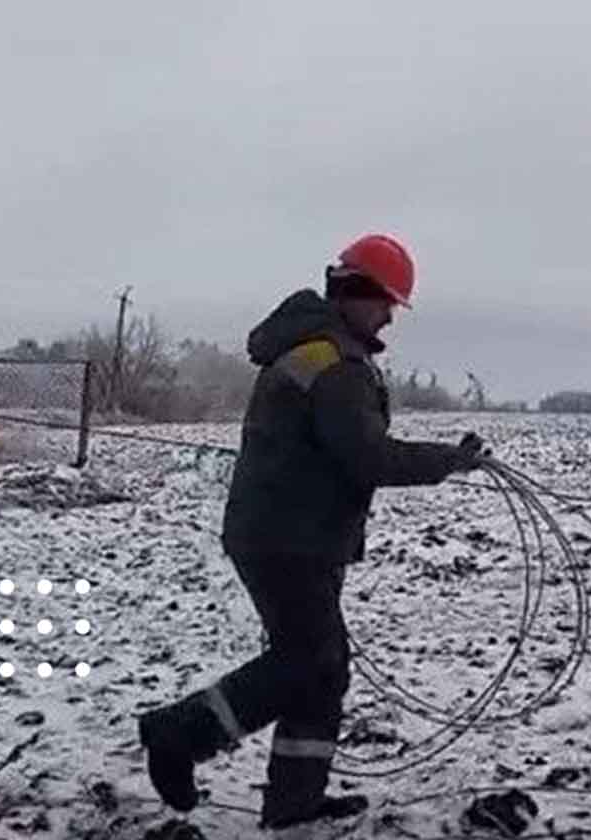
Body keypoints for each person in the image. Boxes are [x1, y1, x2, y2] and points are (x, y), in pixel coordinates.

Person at [137, 233, 489, 828]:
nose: (388, 320)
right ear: (359, 294)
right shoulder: (334, 365)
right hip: (287, 540)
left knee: (321, 666)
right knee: (307, 663)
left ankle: (294, 803)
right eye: (387, 305)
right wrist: (450, 460)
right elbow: (369, 458)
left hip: (291, 534)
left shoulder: (316, 350)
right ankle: (180, 735)